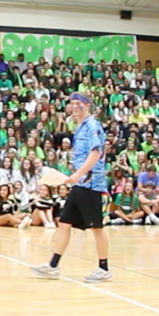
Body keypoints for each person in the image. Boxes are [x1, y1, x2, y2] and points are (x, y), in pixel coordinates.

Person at [32, 92, 112, 283]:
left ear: (87, 105)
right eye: (72, 104)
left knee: (97, 227)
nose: (74, 107)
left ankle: (104, 268)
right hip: (80, 184)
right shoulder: (80, 127)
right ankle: (53, 265)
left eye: (78, 104)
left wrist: (79, 174)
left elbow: (96, 153)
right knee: (64, 222)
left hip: (90, 184)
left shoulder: (92, 126)